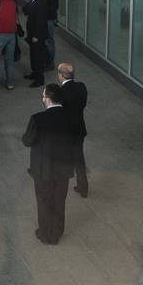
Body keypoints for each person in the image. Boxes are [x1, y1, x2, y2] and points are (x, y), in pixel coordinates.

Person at [22, 84, 81, 245]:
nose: (42, 99)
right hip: (63, 169)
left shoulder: (37, 119)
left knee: (43, 200)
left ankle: (44, 233)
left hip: (43, 169)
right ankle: (56, 233)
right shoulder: (72, 118)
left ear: (48, 99)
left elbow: (28, 141)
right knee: (59, 201)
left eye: (43, 96)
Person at [57, 63, 90, 197]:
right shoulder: (81, 87)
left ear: (61, 75)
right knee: (79, 159)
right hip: (79, 129)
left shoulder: (60, 93)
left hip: (65, 132)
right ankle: (83, 188)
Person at [22, 0, 52, 86]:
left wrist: (36, 36)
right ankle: (34, 73)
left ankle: (39, 80)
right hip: (33, 33)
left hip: (37, 35)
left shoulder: (40, 0)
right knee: (33, 55)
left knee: (38, 57)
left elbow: (41, 21)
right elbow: (26, 9)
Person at [37, 0, 60, 66]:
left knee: (48, 41)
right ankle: (45, 60)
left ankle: (50, 63)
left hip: (48, 20)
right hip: (44, 19)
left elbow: (54, 6)